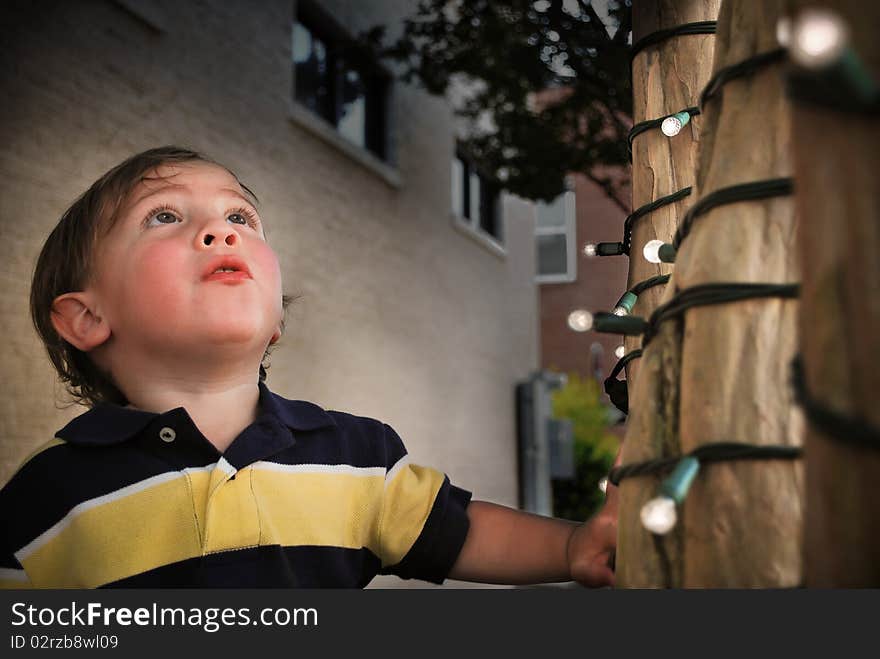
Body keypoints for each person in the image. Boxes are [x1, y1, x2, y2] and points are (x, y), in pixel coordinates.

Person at [0, 146, 618, 589]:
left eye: (240, 217)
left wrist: (571, 547)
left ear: (275, 323)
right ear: (86, 318)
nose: (220, 230)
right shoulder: (47, 493)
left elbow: (461, 533)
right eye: (165, 215)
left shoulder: (356, 458)